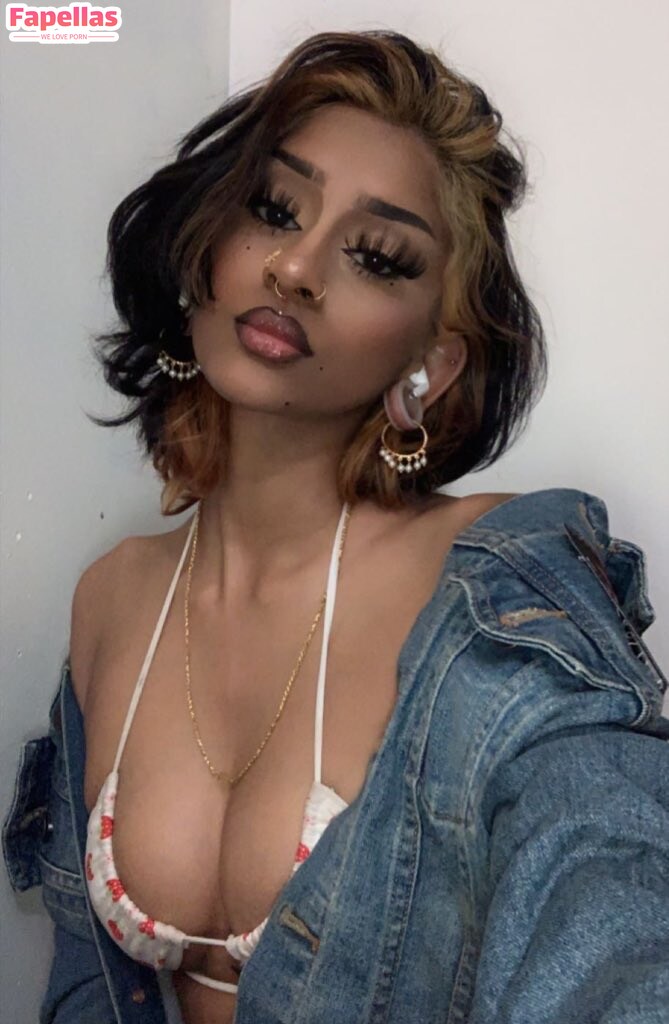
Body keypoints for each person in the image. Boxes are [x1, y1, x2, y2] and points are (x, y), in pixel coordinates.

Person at [4, 28, 669, 1024]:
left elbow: (605, 885)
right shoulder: (113, 594)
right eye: (274, 210)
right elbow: (86, 989)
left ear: (431, 364)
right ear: (203, 246)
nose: (297, 268)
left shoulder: (498, 593)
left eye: (377, 257)